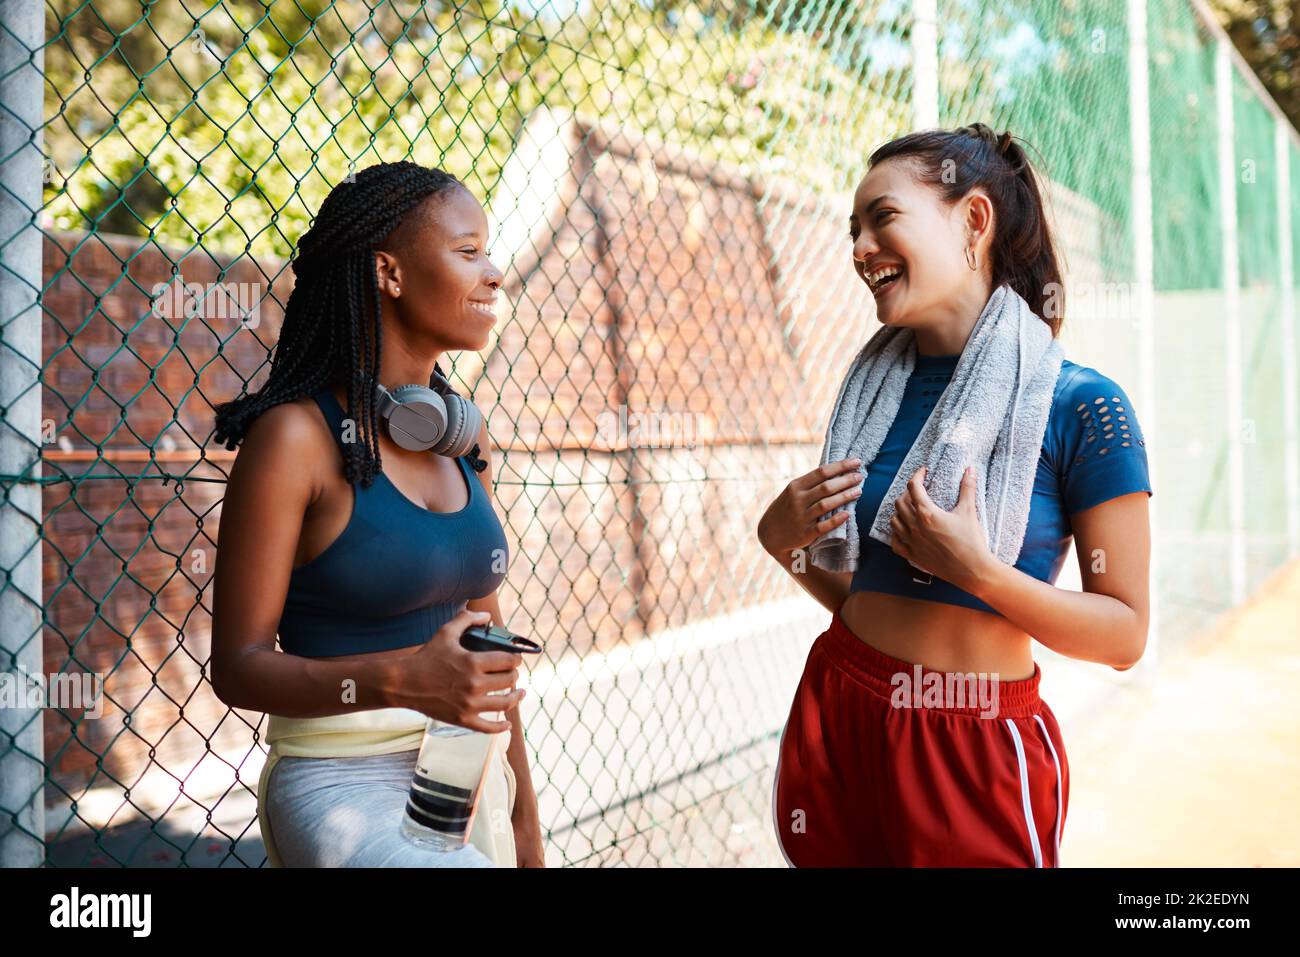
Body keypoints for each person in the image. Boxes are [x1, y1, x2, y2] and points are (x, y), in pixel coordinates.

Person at [760, 123, 1153, 867]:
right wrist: (782, 543)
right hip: (843, 703)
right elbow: (868, 596)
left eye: (882, 217)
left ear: (974, 220)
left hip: (970, 740)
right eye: (854, 230)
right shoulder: (873, 392)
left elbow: (1125, 633)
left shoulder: (1083, 406)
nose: (859, 248)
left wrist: (980, 573)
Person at [210, 161, 544, 867]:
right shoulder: (294, 439)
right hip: (339, 777)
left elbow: (486, 648)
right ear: (389, 272)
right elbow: (236, 668)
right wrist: (400, 677)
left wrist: (526, 830)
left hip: (464, 771)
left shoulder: (461, 437)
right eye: (468, 250)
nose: (494, 273)